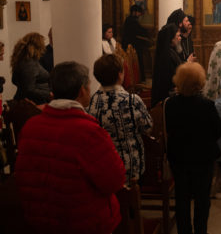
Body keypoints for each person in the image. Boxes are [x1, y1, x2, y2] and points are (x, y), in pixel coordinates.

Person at [15, 61, 125, 234]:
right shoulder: (89, 132)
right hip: (82, 222)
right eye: (88, 85)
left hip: (39, 220)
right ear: (82, 90)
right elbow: (115, 180)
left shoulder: (30, 126)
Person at [165, 63, 221, 234]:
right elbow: (218, 131)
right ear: (199, 82)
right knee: (202, 199)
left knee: (182, 198)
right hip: (203, 159)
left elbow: (169, 129)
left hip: (179, 158)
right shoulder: (207, 105)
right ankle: (200, 231)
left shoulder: (170, 104)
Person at [87, 54, 153, 185]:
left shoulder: (92, 101)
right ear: (120, 74)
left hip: (103, 165)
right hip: (131, 166)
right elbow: (148, 127)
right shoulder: (132, 100)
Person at [11, 32, 51, 105]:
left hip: (29, 101)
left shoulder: (25, 60)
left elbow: (15, 80)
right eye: (42, 45)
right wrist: (48, 94)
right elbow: (29, 89)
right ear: (37, 46)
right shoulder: (29, 63)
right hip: (32, 104)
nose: (44, 48)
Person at [151, 23, 183, 107]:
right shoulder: (167, 56)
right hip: (167, 101)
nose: (180, 38)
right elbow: (168, 84)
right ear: (171, 39)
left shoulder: (170, 52)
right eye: (178, 36)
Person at [121, 4, 151, 81]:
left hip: (132, 44)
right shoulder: (131, 21)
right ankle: (139, 79)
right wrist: (147, 34)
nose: (140, 14)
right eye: (139, 12)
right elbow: (138, 31)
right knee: (137, 62)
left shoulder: (131, 19)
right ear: (134, 12)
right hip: (133, 45)